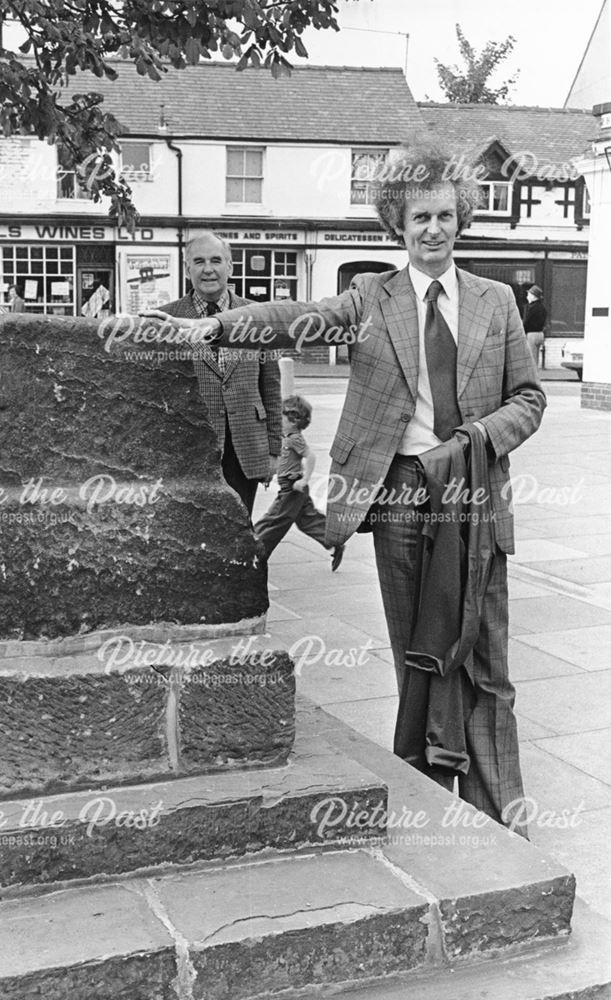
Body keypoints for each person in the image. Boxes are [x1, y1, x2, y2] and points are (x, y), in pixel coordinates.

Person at [136, 147, 546, 835]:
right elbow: (290, 319)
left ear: (461, 218)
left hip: (471, 496)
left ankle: (500, 809)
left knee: (484, 656)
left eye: (445, 215)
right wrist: (215, 325)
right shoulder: (368, 301)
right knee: (417, 652)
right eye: (420, 217)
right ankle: (424, 792)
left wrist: (475, 440)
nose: (434, 229)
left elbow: (529, 398)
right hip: (398, 499)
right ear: (397, 223)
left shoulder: (495, 301)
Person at [159, 232, 281, 516]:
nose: (208, 269)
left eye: (216, 260)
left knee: (239, 529)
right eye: (198, 261)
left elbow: (272, 388)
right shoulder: (166, 319)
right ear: (187, 267)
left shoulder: (257, 315)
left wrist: (274, 450)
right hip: (190, 451)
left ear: (230, 266)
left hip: (246, 449)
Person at [255, 394, 344, 571]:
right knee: (307, 520)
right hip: (290, 484)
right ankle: (335, 541)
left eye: (281, 417)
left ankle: (257, 549)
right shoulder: (287, 436)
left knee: (276, 518)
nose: (278, 420)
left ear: (294, 420)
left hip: (293, 486)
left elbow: (310, 456)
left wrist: (304, 479)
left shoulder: (295, 438)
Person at [523, 285, 547, 368]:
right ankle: (535, 376)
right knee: (536, 359)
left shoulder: (531, 308)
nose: (527, 297)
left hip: (531, 335)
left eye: (529, 295)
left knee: (531, 359)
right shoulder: (542, 307)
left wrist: (522, 332)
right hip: (540, 334)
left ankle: (533, 378)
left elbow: (526, 322)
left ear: (533, 296)